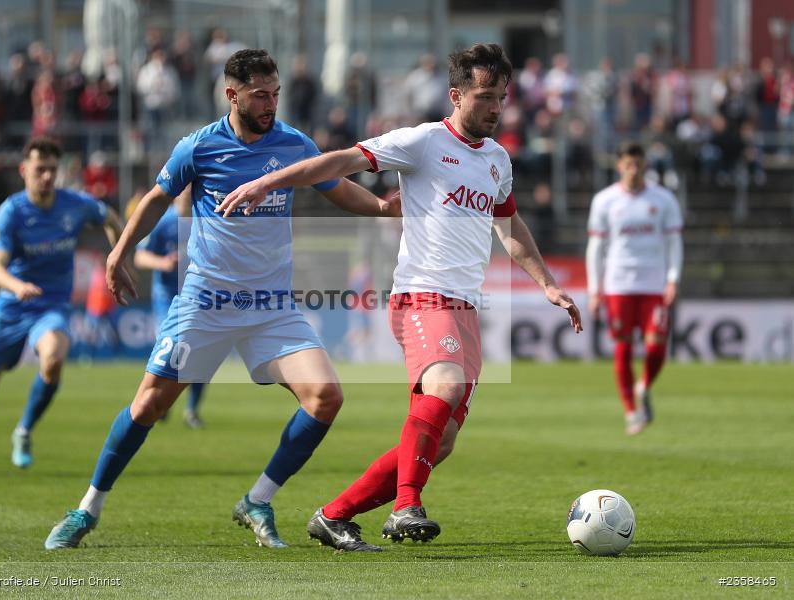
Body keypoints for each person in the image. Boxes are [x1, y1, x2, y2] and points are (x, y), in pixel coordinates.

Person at [217, 43, 582, 552]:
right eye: (484, 97)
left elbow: (509, 225)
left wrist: (546, 283)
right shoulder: (423, 142)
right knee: (445, 387)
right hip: (422, 296)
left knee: (441, 441)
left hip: (466, 307)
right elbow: (339, 161)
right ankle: (406, 505)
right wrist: (266, 183)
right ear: (456, 95)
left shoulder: (497, 160)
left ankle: (333, 516)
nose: (496, 108)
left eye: (501, 97)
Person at [43, 49, 399, 550]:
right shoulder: (199, 146)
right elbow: (156, 199)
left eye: (275, 93)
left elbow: (336, 187)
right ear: (232, 94)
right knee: (148, 405)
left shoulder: (294, 143)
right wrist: (119, 252)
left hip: (271, 307)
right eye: (260, 95)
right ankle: (86, 509)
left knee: (326, 397)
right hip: (206, 302)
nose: (270, 104)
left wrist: (383, 208)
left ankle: (257, 499)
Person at [0, 137, 123, 478]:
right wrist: (17, 286)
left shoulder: (74, 203)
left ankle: (24, 430)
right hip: (11, 307)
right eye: (40, 169)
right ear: (24, 170)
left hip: (51, 306)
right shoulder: (11, 212)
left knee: (54, 358)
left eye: (51, 170)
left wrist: (117, 259)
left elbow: (110, 219)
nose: (46, 176)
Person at [585, 142, 683, 435]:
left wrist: (673, 279)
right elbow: (595, 248)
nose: (633, 169)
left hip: (654, 284)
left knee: (657, 345)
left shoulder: (663, 199)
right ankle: (631, 411)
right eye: (628, 164)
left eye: (638, 164)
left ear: (645, 165)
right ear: (619, 166)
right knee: (623, 347)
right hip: (619, 285)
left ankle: (644, 386)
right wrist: (594, 289)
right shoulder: (605, 200)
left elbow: (674, 242)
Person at [134, 185, 208, 428]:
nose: (188, 192)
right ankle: (159, 400)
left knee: (202, 353)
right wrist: (163, 263)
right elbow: (140, 257)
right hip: (167, 297)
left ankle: (191, 410)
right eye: (185, 188)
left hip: (198, 296)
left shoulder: (204, 218)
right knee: (172, 349)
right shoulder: (163, 221)